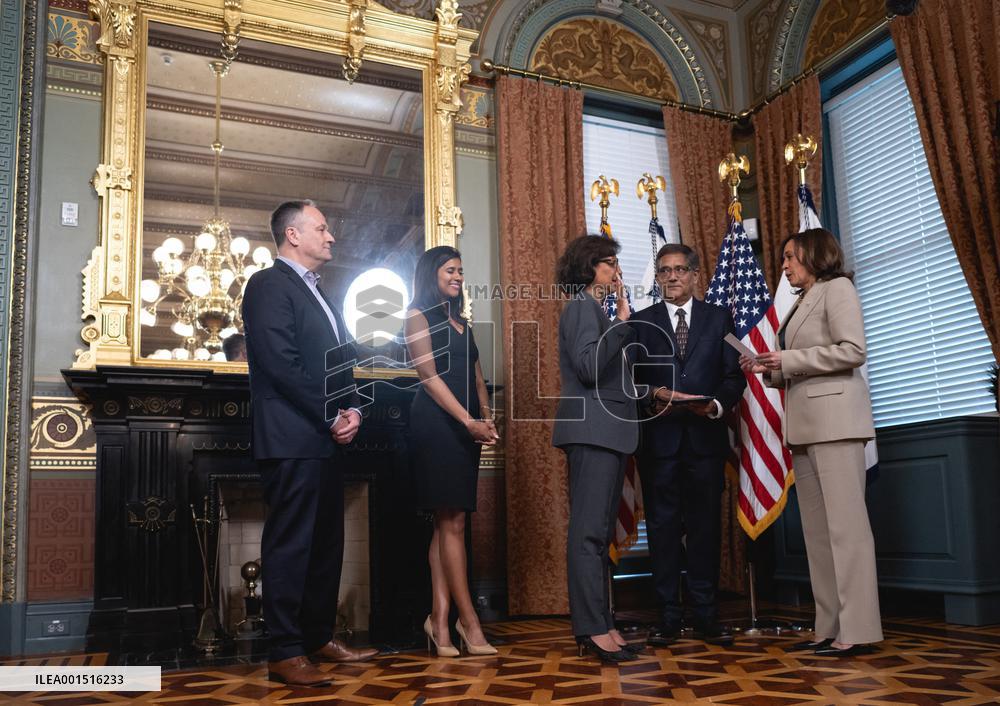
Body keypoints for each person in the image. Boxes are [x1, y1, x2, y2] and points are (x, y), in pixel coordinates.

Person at [242, 200, 379, 687]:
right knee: (291, 544)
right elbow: (280, 364)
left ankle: (319, 635)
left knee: (326, 543)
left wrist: (356, 409)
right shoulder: (266, 285)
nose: (331, 237)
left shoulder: (323, 294)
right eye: (322, 228)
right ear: (293, 235)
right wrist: (330, 415)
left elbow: (345, 363)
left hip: (323, 438)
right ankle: (284, 650)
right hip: (291, 437)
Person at [741, 227, 882, 657]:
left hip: (837, 425)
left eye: (789, 257)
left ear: (814, 254)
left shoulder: (838, 288)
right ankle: (828, 626)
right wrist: (771, 369)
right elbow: (805, 361)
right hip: (803, 429)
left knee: (847, 532)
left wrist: (790, 359)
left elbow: (853, 350)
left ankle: (858, 628)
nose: (783, 267)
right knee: (818, 535)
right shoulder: (803, 300)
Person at [629, 243, 745, 647]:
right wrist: (655, 395)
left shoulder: (720, 318)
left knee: (704, 530)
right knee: (661, 531)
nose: (672, 277)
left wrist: (714, 405)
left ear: (696, 275)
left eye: (680, 269)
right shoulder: (640, 323)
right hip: (658, 444)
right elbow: (630, 382)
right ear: (658, 277)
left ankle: (707, 615)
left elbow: (734, 377)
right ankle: (667, 617)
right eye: (664, 271)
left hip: (705, 442)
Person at [404, 245, 500, 657]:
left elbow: (476, 375)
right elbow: (429, 378)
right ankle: (469, 620)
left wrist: (486, 417)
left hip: (467, 427)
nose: (458, 276)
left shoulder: (463, 322)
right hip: (436, 425)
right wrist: (467, 421)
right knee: (454, 521)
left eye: (461, 269)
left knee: (446, 523)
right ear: (432, 274)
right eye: (450, 270)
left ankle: (438, 623)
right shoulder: (416, 317)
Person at [551, 235, 640, 663]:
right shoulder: (582, 308)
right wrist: (622, 320)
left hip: (606, 431)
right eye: (610, 264)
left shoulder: (593, 311)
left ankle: (604, 624)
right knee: (588, 536)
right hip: (593, 432)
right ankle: (591, 629)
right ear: (591, 268)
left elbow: (608, 376)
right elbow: (588, 368)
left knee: (599, 536)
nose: (617, 272)